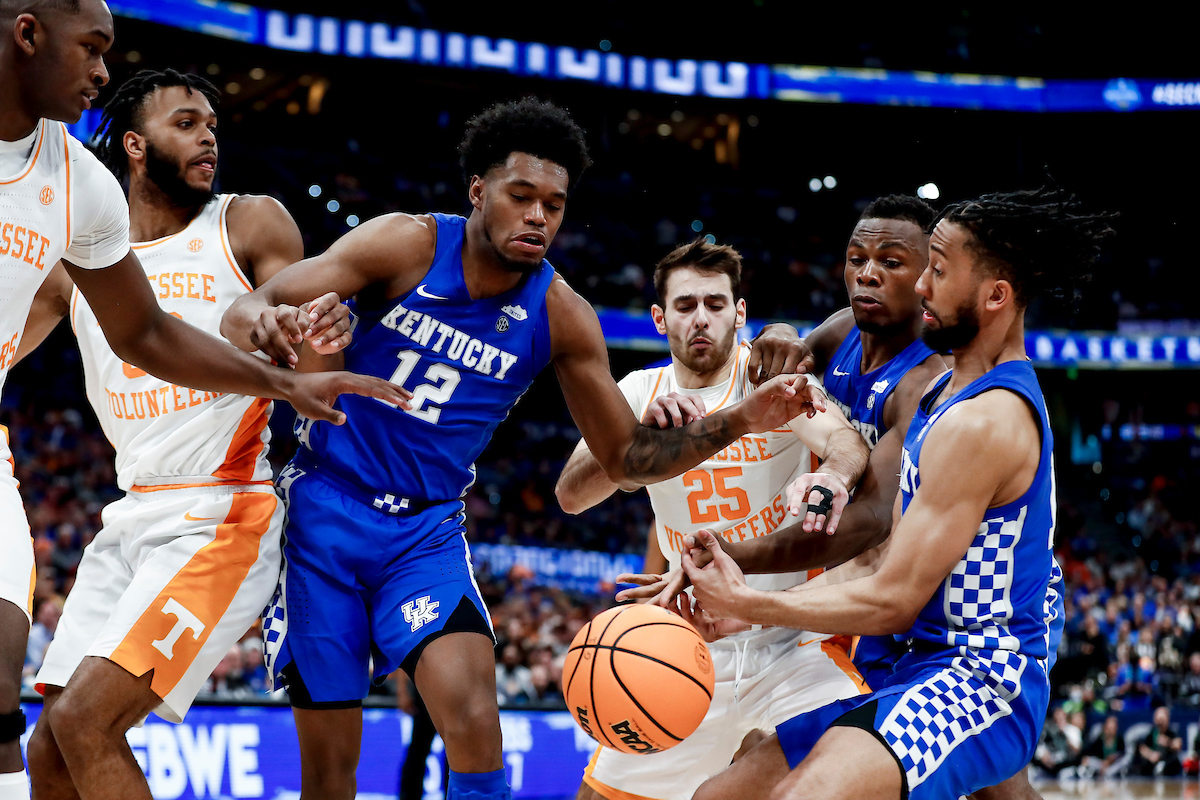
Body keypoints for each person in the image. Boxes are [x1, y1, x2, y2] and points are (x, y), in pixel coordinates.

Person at [218, 97, 812, 800]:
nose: (538, 216)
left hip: (424, 531)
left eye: (554, 205)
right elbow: (243, 311)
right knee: (329, 771)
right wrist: (275, 324)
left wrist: (740, 419)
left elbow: (625, 463)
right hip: (325, 511)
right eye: (521, 196)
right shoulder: (406, 244)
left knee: (474, 723)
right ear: (479, 191)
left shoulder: (561, 314)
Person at [0, 3, 406, 798]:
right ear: (136, 144)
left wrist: (308, 333)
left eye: (214, 123)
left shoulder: (248, 220)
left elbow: (301, 326)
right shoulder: (74, 252)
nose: (210, 137)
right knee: (50, 749)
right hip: (130, 516)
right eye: (187, 123)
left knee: (88, 725)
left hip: (224, 512)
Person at [620, 195, 1063, 800]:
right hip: (903, 645)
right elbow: (879, 562)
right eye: (860, 259)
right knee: (717, 795)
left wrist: (748, 598)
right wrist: (777, 335)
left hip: (974, 668)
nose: (922, 287)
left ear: (993, 297)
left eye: (935, 270)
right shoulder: (935, 385)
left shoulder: (973, 416)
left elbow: (891, 587)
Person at [554, 238, 871, 800]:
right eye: (685, 306)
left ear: (739, 312)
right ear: (660, 318)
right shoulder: (636, 393)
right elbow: (571, 495)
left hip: (793, 641)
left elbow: (845, 442)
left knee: (832, 772)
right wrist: (638, 444)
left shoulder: (772, 384)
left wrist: (835, 476)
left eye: (716, 304)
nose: (701, 318)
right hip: (687, 646)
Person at [1134, 705, 1183, 776]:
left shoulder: (1173, 731)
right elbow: (1142, 748)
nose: (1160, 723)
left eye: (1162, 720)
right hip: (1152, 763)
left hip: (1168, 763)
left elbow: (1178, 745)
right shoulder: (1151, 732)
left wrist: (1168, 742)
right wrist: (1151, 755)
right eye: (1158, 720)